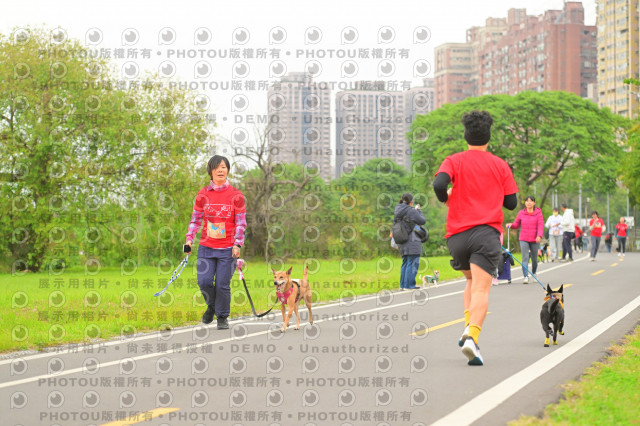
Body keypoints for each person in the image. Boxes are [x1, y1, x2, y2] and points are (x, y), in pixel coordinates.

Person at [433, 110, 518, 366]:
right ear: (488, 138)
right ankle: (472, 338)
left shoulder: (454, 160)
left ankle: (467, 327)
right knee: (482, 287)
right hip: (485, 233)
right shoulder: (500, 165)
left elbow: (439, 184)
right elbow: (512, 203)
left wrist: (447, 199)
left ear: (466, 136)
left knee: (471, 280)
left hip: (456, 236)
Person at [185, 155, 246, 329]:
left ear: (228, 170)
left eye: (224, 167)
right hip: (206, 247)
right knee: (204, 282)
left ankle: (222, 317)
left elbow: (241, 222)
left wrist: (238, 244)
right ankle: (212, 306)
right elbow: (196, 220)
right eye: (217, 167)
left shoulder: (236, 195)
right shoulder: (203, 194)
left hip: (228, 248)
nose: (220, 170)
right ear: (210, 171)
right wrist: (189, 239)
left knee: (221, 285)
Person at [506, 196, 544, 284]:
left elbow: (540, 225)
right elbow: (516, 224)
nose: (529, 202)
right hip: (524, 238)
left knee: (534, 259)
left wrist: (539, 236)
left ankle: (534, 273)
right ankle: (525, 276)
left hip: (535, 239)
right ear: (525, 203)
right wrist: (511, 225)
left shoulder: (538, 213)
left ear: (534, 203)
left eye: (531, 201)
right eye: (527, 201)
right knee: (525, 257)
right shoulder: (521, 213)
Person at [394, 193, 426, 290]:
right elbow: (422, 221)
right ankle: (409, 285)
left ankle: (403, 285)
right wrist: (418, 211)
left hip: (401, 239)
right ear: (411, 202)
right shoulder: (411, 211)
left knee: (405, 262)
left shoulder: (397, 209)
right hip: (412, 240)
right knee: (412, 262)